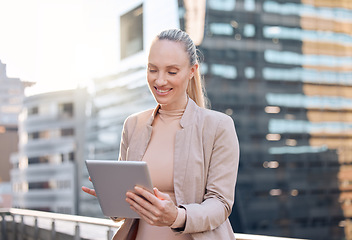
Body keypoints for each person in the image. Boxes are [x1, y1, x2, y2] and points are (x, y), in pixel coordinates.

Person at [82, 29, 240, 240]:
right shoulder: (133, 125)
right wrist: (111, 198)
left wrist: (177, 216)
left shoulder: (218, 126)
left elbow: (220, 204)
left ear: (192, 70)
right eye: (152, 70)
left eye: (172, 72)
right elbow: (122, 214)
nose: (160, 80)